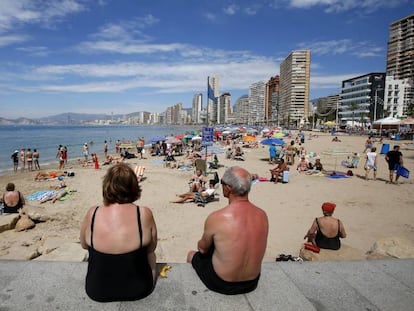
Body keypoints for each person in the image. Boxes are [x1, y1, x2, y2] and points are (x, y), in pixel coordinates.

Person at [80, 164, 157, 302]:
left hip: (96, 290)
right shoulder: (144, 213)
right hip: (139, 289)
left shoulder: (93, 212)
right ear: (134, 187)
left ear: (107, 185)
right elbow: (151, 248)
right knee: (150, 254)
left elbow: (84, 245)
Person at [187, 166, 268, 295]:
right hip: (252, 282)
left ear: (228, 188)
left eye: (222, 183)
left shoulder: (217, 217)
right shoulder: (262, 215)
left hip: (222, 283)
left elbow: (202, 249)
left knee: (192, 255)